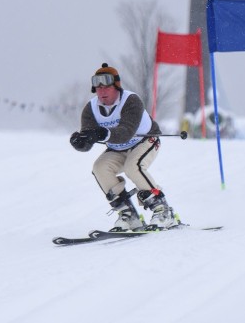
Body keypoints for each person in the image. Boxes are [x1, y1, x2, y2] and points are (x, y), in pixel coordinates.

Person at [69, 63, 179, 231]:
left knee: (133, 167)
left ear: (117, 87)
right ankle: (128, 215)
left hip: (145, 141)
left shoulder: (131, 101)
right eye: (98, 88)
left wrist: (101, 134)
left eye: (106, 87)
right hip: (117, 148)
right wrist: (81, 142)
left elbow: (125, 132)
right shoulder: (90, 109)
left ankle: (163, 211)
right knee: (100, 168)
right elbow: (88, 140)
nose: (102, 92)